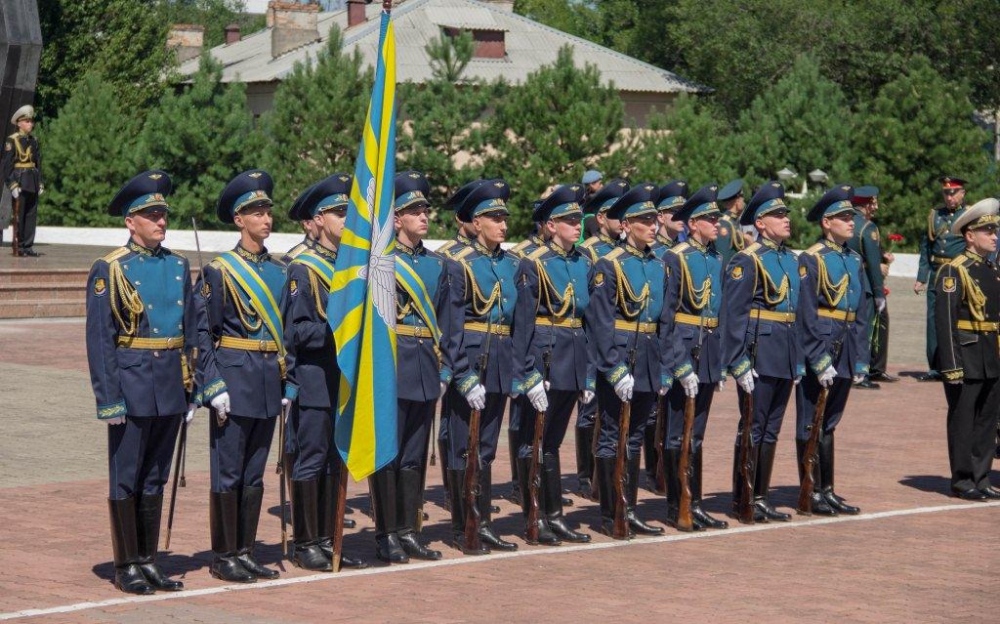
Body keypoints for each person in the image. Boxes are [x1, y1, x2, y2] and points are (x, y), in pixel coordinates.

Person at [85, 170, 194, 594]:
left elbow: (190, 332)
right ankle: (126, 564)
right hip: (131, 384)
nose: (161, 221)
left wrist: (192, 387)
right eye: (151, 215)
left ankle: (148, 561)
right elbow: (101, 340)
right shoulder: (111, 268)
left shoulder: (178, 265)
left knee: (156, 477)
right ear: (131, 222)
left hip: (169, 383)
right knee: (126, 476)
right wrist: (108, 399)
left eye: (163, 214)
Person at [196, 169, 287, 583]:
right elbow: (204, 333)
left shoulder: (280, 272)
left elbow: (287, 333)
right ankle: (224, 555)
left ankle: (245, 551)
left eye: (267, 211)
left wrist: (288, 383)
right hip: (234, 380)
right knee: (229, 472)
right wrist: (212, 385)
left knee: (254, 474)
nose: (266, 219)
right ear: (239, 220)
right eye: (256, 212)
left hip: (268, 380)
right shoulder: (220, 271)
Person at [280, 173, 367, 571]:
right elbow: (296, 332)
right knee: (311, 459)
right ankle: (306, 543)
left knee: (336, 460)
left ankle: (331, 539)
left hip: (343, 380)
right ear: (318, 219)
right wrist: (340, 331)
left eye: (349, 212)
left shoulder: (349, 267)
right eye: (339, 213)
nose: (347, 220)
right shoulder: (304, 269)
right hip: (315, 379)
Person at [367, 171, 452, 563]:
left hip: (425, 368)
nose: (424, 216)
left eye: (425, 210)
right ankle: (386, 533)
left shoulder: (438, 265)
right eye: (415, 211)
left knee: (415, 455)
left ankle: (409, 530)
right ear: (396, 218)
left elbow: (448, 321)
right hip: (392, 366)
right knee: (389, 453)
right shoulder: (381, 261)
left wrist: (447, 369)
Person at [586, 182, 669, 538]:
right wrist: (614, 368)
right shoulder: (608, 265)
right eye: (644, 221)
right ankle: (611, 513)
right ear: (626, 225)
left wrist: (665, 368)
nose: (653, 226)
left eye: (654, 220)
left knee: (634, 436)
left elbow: (665, 321)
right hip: (620, 360)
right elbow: (600, 324)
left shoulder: (660, 265)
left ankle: (630, 509)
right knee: (611, 435)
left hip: (649, 359)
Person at [512, 183, 594, 545]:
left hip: (572, 361)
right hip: (545, 361)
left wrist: (588, 375)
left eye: (579, 220)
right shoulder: (534, 264)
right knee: (533, 441)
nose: (577, 226)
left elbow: (588, 322)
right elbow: (523, 326)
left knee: (552, 442)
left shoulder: (584, 262)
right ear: (550, 226)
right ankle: (534, 515)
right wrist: (528, 374)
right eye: (569, 221)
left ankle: (555, 515)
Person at [445, 178, 518, 554]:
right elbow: (452, 327)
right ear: (476, 223)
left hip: (501, 361)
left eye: (504, 218)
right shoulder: (458, 264)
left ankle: (483, 522)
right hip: (471, 361)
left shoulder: (513, 263)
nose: (502, 225)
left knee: (486, 448)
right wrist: (462, 374)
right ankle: (463, 525)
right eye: (494, 218)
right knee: (463, 446)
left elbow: (519, 323)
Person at [721, 181, 801, 523]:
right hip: (759, 353)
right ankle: (744, 497)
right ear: (760, 223)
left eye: (785, 214)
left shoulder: (791, 259)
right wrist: (738, 361)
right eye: (778, 215)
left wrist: (799, 359)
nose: (786, 219)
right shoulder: (747, 260)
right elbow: (733, 315)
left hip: (784, 354)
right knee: (753, 426)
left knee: (771, 429)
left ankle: (761, 495)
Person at [795, 185, 871, 516]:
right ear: (827, 223)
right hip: (822, 346)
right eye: (844, 217)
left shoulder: (853, 259)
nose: (851, 222)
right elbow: (807, 314)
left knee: (830, 422)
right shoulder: (812, 259)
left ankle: (827, 489)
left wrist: (862, 358)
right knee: (811, 421)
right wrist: (818, 357)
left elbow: (861, 312)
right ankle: (809, 490)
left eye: (851, 216)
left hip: (846, 346)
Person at [663, 184, 729, 531]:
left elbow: (721, 314)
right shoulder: (676, 257)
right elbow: (668, 317)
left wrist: (721, 363)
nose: (717, 224)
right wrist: (680, 364)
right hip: (685, 351)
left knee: (697, 434)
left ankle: (696, 503)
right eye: (710, 219)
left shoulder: (716, 258)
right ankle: (677, 504)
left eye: (717, 219)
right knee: (677, 433)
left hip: (709, 351)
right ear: (692, 224)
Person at [934, 197, 1000, 500]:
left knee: (987, 420)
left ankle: (981, 476)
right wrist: (951, 366)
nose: (994, 236)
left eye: (995, 231)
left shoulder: (992, 270)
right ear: (970, 236)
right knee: (963, 420)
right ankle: (962, 480)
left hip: (991, 353)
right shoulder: (954, 271)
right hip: (967, 353)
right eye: (988, 231)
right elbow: (945, 322)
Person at [574, 178, 629, 499]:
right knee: (589, 409)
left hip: (618, 341)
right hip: (590, 341)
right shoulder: (587, 253)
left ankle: (608, 476)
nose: (622, 220)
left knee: (615, 413)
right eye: (615, 214)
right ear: (600, 218)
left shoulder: (625, 252)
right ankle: (586, 475)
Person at [644, 179, 687, 491]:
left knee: (671, 413)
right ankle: (653, 470)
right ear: (660, 217)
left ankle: (662, 471)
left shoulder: (679, 252)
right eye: (675, 212)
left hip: (679, 340)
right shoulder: (656, 254)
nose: (681, 217)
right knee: (653, 413)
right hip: (656, 340)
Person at [915, 177, 968, 381]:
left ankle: (956, 364)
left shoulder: (968, 215)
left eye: (953, 193)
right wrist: (921, 276)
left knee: (956, 317)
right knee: (933, 319)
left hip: (957, 273)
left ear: (962, 193)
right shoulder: (935, 215)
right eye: (946, 193)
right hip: (937, 273)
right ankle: (936, 366)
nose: (949, 197)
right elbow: (926, 247)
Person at [846, 186, 888, 390]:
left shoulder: (843, 221)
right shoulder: (867, 228)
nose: (876, 207)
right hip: (864, 284)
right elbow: (873, 263)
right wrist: (879, 293)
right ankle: (860, 372)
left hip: (843, 282)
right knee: (863, 328)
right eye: (874, 202)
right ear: (867, 204)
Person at [2, 105, 42, 256]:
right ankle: (18, 247)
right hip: (20, 182)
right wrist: (12, 185)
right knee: (20, 216)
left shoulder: (34, 141)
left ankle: (27, 246)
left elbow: (38, 163)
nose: (30, 124)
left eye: (31, 121)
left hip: (32, 181)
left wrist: (40, 182)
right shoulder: (12, 141)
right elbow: (7, 166)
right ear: (19, 123)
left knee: (31, 215)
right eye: (27, 121)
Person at [715, 179, 746, 268]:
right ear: (737, 200)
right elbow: (723, 258)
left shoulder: (733, 221)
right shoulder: (724, 224)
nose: (744, 201)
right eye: (742, 197)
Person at [580, 169, 604, 240]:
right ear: (592, 184)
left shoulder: (583, 198)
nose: (602, 186)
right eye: (600, 183)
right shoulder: (592, 220)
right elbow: (599, 242)